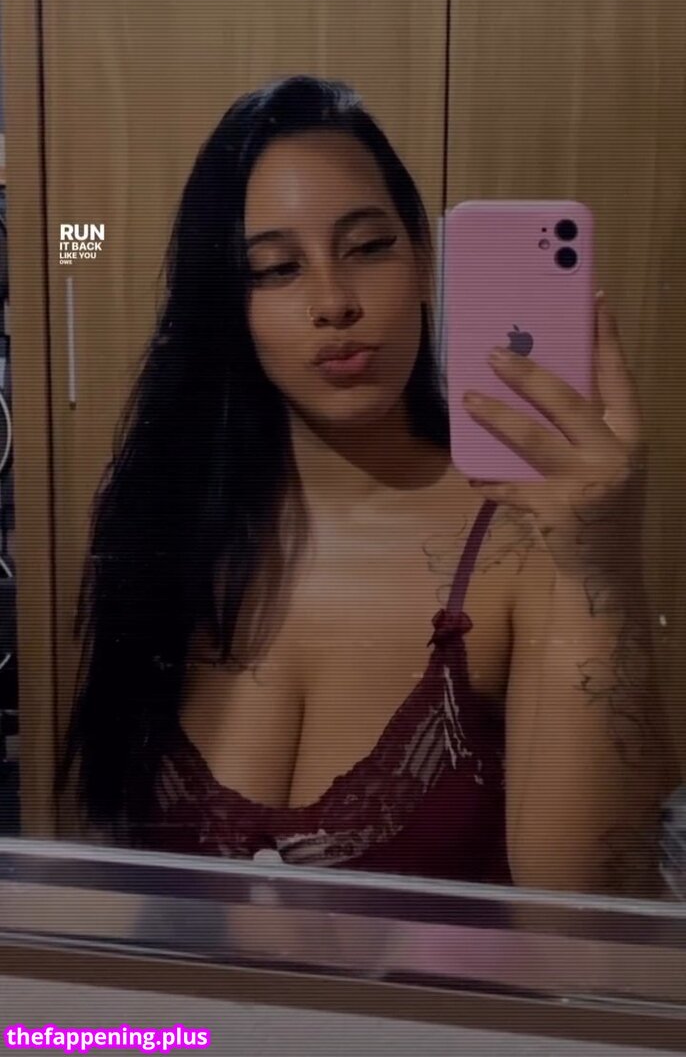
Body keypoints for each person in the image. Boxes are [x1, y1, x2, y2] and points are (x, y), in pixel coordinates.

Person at [57, 75, 675, 894]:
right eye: (276, 268)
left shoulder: (527, 536)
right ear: (228, 306)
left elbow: (585, 914)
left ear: (422, 259)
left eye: (369, 247)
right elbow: (111, 860)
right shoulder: (166, 518)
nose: (334, 302)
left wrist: (602, 568)